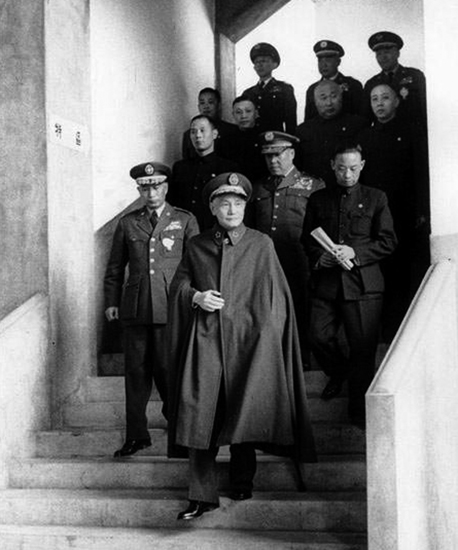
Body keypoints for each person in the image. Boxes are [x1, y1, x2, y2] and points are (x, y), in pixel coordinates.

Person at [167, 172, 317, 521]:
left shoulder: (261, 243)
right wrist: (196, 297)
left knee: (244, 410)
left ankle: (242, 480)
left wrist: (265, 335)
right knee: (199, 414)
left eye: (237, 203)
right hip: (206, 342)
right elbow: (179, 286)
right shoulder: (197, 245)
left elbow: (277, 296)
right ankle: (201, 496)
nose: (232, 209)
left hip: (250, 342)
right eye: (224, 203)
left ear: (245, 207)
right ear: (212, 208)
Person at [104, 162, 199, 457]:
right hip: (135, 309)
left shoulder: (184, 220)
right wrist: (111, 302)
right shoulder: (128, 223)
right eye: (145, 188)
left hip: (172, 308)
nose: (151, 193)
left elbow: (197, 265)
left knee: (169, 372)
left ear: (165, 187)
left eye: (156, 186)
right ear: (139, 190)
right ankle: (136, 436)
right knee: (135, 374)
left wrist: (194, 299)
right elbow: (115, 268)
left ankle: (180, 434)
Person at [302, 142, 397, 429]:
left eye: (353, 168)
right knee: (316, 336)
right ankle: (339, 370)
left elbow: (388, 242)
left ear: (362, 166)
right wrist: (320, 258)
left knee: (363, 350)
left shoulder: (376, 197)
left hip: (363, 286)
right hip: (327, 284)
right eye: (341, 168)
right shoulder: (318, 199)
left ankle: (358, 414)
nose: (347, 174)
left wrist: (355, 252)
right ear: (332, 166)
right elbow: (306, 240)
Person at [358, 83, 430, 340]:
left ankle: (409, 333)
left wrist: (422, 209)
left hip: (406, 214)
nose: (379, 103)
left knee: (406, 272)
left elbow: (422, 172)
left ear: (397, 101)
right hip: (377, 215)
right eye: (374, 99)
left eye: (385, 98)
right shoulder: (366, 136)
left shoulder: (412, 131)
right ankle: (386, 333)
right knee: (382, 272)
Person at [247, 131, 325, 364]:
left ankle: (302, 362)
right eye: (268, 156)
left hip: (300, 262)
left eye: (278, 155)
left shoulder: (313, 185)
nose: (272, 160)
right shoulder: (258, 187)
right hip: (266, 263)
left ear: (291, 154)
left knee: (301, 310)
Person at [170, 115, 239, 230]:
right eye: (193, 132)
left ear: (214, 134)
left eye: (202, 130)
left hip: (214, 232)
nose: (198, 135)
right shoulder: (180, 168)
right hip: (184, 231)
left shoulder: (227, 168)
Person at [296, 80, 368, 186]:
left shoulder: (358, 125)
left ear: (341, 98)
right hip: (314, 189)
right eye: (323, 98)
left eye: (333, 96)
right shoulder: (303, 130)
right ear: (315, 102)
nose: (329, 103)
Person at [363, 31, 427, 129]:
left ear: (397, 53)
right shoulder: (371, 84)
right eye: (379, 54)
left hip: (411, 134)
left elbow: (426, 110)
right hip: (382, 135)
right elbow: (366, 118)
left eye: (387, 52)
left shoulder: (415, 76)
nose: (383, 57)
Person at [242, 42, 297, 134]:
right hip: (252, 139)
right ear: (254, 67)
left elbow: (291, 122)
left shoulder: (285, 89)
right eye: (256, 62)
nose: (259, 65)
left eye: (263, 61)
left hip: (276, 139)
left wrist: (289, 140)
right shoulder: (248, 93)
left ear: (274, 64)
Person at [304, 40, 363, 121]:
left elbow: (361, 119)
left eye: (328, 60)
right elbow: (308, 123)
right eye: (320, 60)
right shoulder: (312, 89)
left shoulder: (353, 85)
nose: (324, 65)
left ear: (338, 62)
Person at [219, 95, 267, 182]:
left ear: (256, 113)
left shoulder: (264, 138)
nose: (243, 116)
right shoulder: (226, 141)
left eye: (248, 111)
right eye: (238, 112)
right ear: (233, 115)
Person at [181, 87, 237, 160]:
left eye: (210, 102)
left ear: (218, 105)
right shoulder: (189, 135)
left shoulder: (231, 131)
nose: (206, 106)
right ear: (199, 107)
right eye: (202, 103)